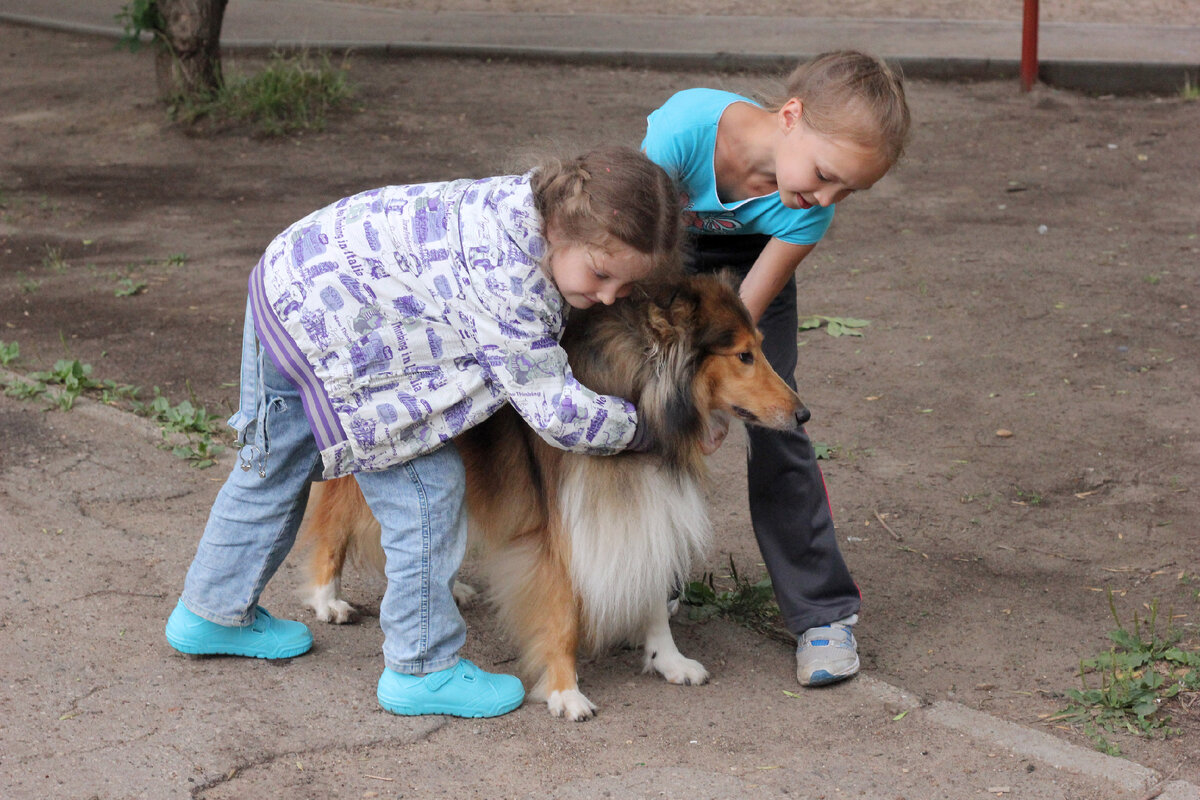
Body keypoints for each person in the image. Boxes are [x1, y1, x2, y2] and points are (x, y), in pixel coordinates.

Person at [164, 145, 684, 718]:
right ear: (563, 227)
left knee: (271, 465)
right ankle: (422, 668)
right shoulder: (513, 283)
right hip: (345, 341)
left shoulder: (521, 203)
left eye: (626, 289)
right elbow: (555, 410)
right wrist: (647, 430)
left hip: (289, 286)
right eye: (602, 274)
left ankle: (211, 611)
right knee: (428, 495)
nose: (609, 297)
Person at [642, 50, 911, 687]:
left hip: (751, 281)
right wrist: (683, 390)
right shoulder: (682, 130)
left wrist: (727, 402)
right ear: (790, 116)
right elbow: (641, 254)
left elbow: (746, 322)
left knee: (779, 427)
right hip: (665, 263)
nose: (828, 197)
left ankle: (821, 613)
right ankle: (653, 581)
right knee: (649, 415)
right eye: (825, 174)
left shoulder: (807, 210)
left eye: (848, 190)